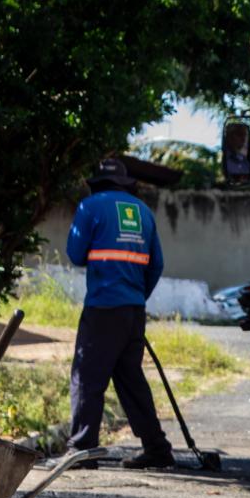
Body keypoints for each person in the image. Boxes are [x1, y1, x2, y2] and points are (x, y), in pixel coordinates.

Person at [64, 157, 173, 469]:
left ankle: (82, 448)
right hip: (133, 310)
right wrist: (136, 297)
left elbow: (74, 254)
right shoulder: (143, 211)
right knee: (130, 379)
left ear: (98, 183)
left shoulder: (91, 207)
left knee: (87, 377)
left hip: (102, 308)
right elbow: (157, 265)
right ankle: (156, 448)